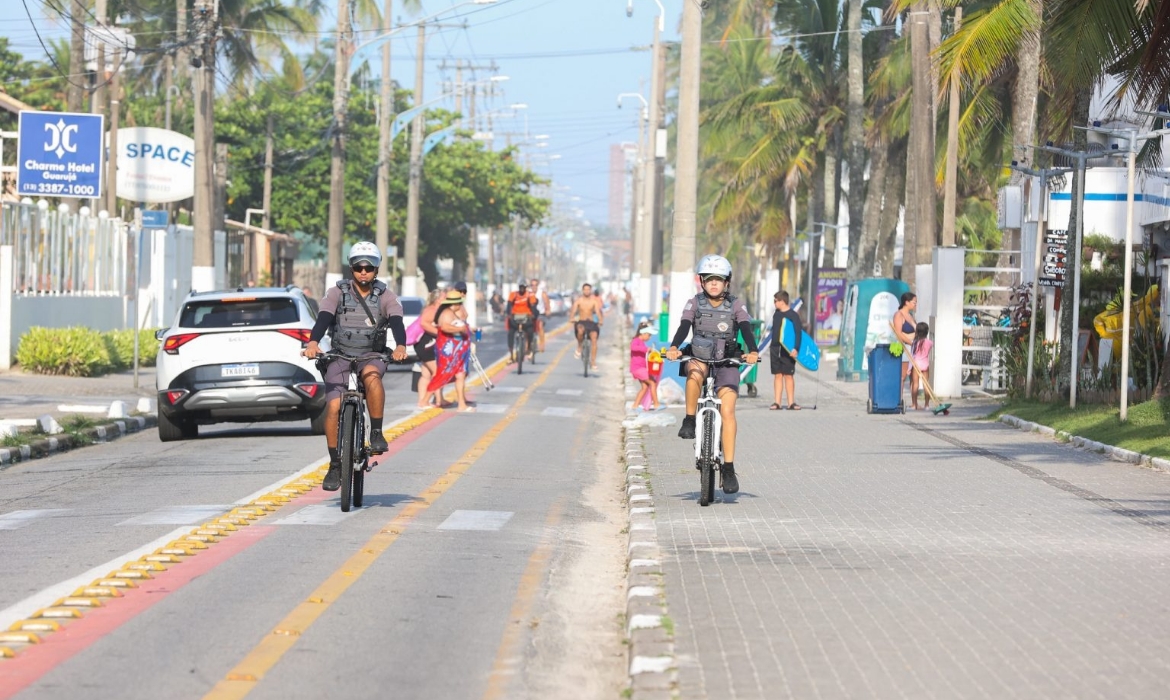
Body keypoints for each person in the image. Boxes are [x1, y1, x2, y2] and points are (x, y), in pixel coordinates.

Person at [303, 241, 408, 492]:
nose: (363, 272)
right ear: (351, 268)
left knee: (372, 376)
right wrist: (313, 342)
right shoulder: (336, 293)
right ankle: (335, 464)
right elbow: (324, 318)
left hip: (371, 354)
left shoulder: (386, 296)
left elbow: (396, 321)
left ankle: (376, 433)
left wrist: (400, 346)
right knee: (333, 406)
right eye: (359, 267)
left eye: (368, 268)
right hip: (340, 355)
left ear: (376, 270)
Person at [664, 255, 760, 495]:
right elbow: (684, 326)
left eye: (719, 279)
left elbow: (746, 328)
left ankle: (728, 468)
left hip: (727, 361)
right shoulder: (694, 303)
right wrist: (674, 347)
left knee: (728, 410)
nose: (714, 284)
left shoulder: (736, 305)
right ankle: (689, 419)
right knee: (694, 372)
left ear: (727, 282)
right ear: (702, 282)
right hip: (700, 356)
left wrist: (753, 351)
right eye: (709, 279)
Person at [427, 289, 475, 412]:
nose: (461, 305)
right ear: (455, 303)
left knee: (460, 375)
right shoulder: (447, 313)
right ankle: (424, 400)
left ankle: (461, 404)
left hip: (457, 350)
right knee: (443, 374)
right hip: (449, 350)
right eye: (460, 303)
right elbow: (445, 327)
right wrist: (460, 329)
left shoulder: (451, 312)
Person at [769, 290, 802, 410]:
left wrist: (796, 348)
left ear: (782, 301)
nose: (774, 303)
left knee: (788, 375)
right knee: (778, 375)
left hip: (788, 350)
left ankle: (791, 403)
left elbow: (798, 333)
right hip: (775, 348)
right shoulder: (776, 314)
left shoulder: (793, 315)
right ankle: (777, 402)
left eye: (775, 301)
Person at [415, 289, 446, 409]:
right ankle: (435, 400)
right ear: (438, 299)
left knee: (426, 374)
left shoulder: (434, 309)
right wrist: (439, 333)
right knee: (438, 373)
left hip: (426, 344)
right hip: (426, 345)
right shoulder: (431, 310)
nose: (446, 299)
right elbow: (424, 323)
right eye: (444, 297)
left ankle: (425, 401)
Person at [570, 282, 605, 370]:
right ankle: (579, 346)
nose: (587, 291)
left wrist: (600, 320)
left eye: (588, 289)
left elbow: (598, 312)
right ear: (582, 290)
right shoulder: (579, 301)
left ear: (590, 290)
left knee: (594, 338)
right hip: (581, 321)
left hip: (590, 322)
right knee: (580, 330)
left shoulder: (594, 301)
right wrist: (572, 318)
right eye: (585, 289)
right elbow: (573, 310)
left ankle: (593, 362)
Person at [630, 321, 662, 411]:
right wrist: (646, 349)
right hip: (638, 368)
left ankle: (635, 405)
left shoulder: (641, 342)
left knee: (645, 387)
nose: (649, 337)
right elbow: (633, 347)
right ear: (643, 333)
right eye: (649, 335)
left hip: (639, 368)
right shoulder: (636, 340)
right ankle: (656, 404)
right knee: (652, 383)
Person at [505, 280, 539, 361]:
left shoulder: (530, 295)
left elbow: (533, 307)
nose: (522, 289)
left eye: (523, 287)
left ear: (526, 288)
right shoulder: (513, 294)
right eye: (520, 287)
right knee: (510, 333)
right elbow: (509, 306)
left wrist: (533, 315)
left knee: (530, 331)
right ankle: (511, 353)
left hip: (526, 318)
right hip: (515, 318)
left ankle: (529, 347)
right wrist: (509, 314)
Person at [891, 291, 918, 386]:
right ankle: (899, 395)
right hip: (905, 347)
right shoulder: (899, 315)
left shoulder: (910, 315)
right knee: (902, 376)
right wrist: (911, 343)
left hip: (914, 348)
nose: (915, 304)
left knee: (914, 377)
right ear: (906, 302)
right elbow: (898, 333)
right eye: (914, 302)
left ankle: (913, 396)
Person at [908, 321, 933, 410]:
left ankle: (914, 404)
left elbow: (912, 355)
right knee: (926, 385)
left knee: (915, 384)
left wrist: (909, 368)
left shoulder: (915, 343)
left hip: (916, 364)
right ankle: (927, 405)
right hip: (925, 364)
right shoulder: (930, 343)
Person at [530, 278, 550, 353]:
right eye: (532, 285)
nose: (534, 287)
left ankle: (542, 345)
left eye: (535, 285)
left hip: (540, 314)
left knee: (540, 326)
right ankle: (526, 345)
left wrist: (548, 310)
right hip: (531, 314)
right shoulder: (528, 293)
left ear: (538, 286)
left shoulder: (542, 293)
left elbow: (547, 302)